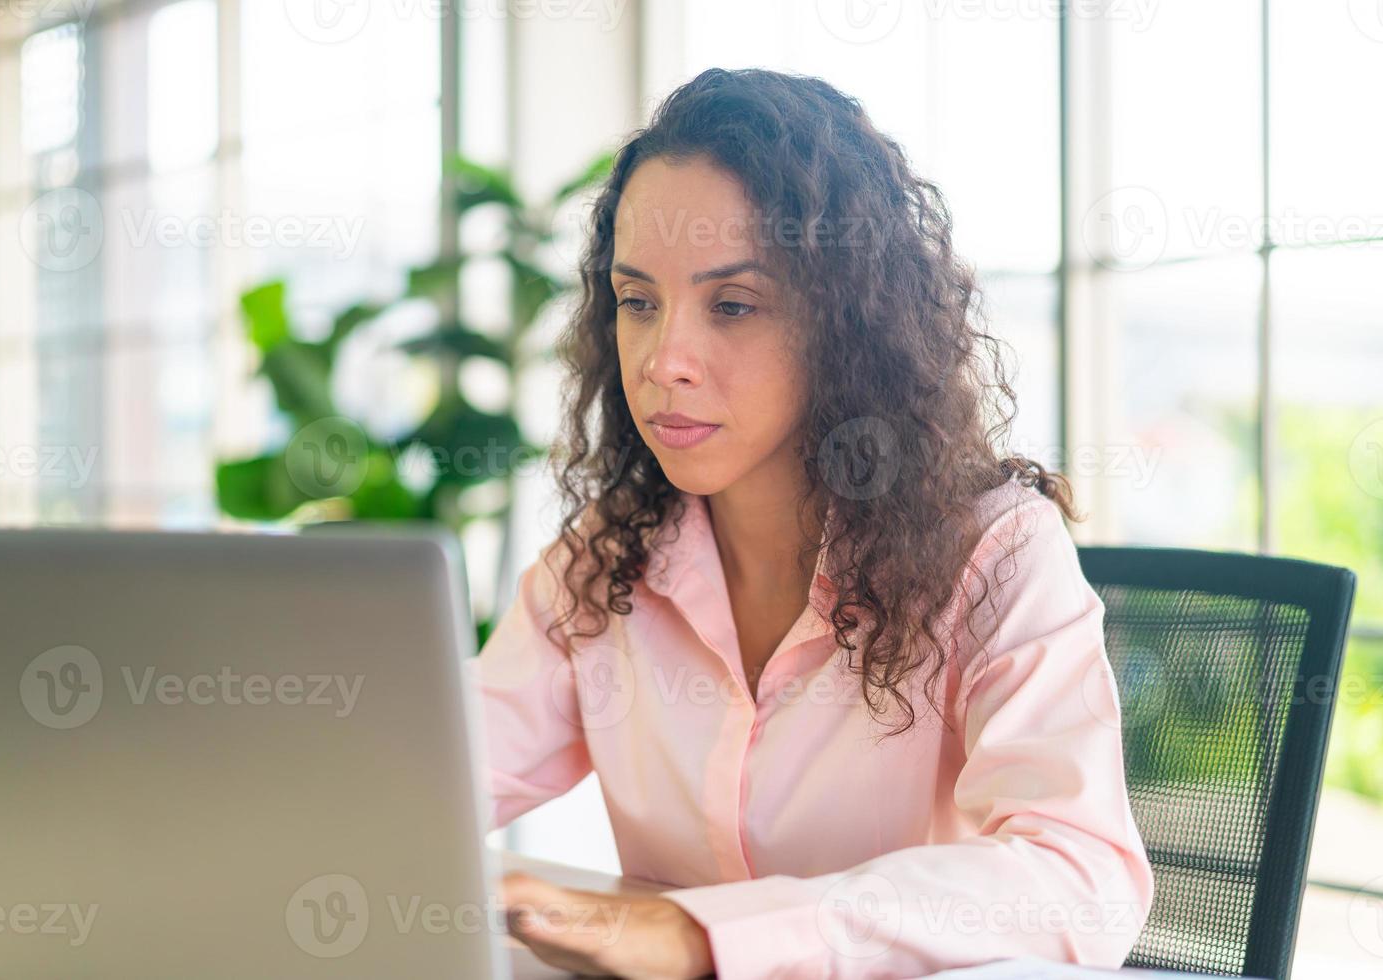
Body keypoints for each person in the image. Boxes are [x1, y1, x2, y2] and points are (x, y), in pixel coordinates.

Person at [477, 67, 1154, 979]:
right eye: (638, 301)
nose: (664, 359)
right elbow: (429, 786)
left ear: (846, 325)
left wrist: (703, 937)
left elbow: (1078, 882)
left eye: (734, 306)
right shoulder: (602, 563)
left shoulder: (994, 551)